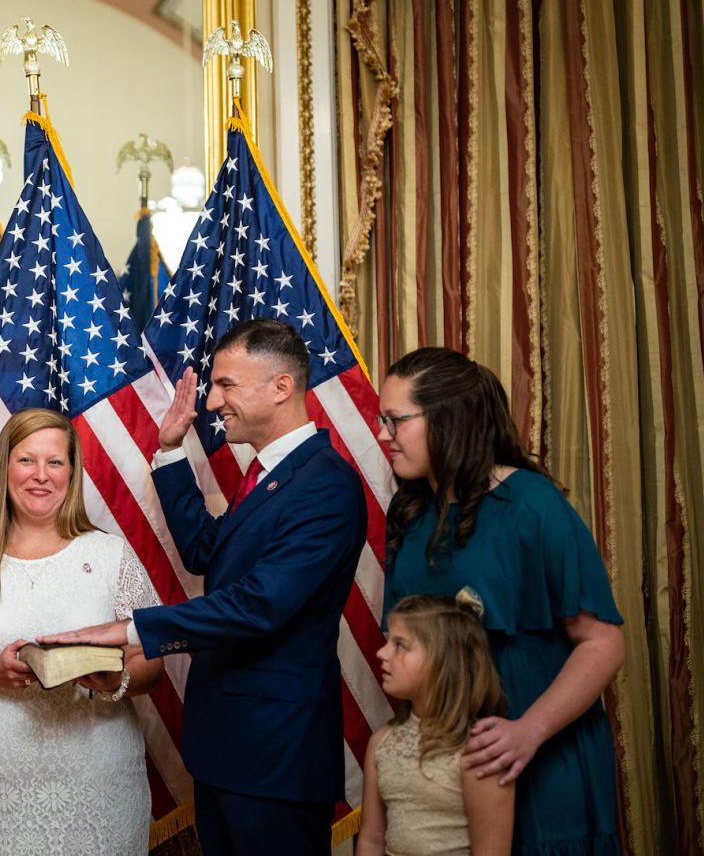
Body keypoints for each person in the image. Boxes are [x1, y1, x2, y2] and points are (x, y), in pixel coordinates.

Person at [45, 318, 367, 856]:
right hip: (229, 749)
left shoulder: (326, 485)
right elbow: (207, 553)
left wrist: (129, 630)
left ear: (281, 387)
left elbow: (258, 606)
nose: (213, 403)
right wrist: (170, 451)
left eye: (226, 386)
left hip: (274, 757)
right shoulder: (270, 474)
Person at [378, 347, 624, 855]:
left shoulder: (532, 504)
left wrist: (527, 732)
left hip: (534, 747)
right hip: (445, 768)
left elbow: (602, 643)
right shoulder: (409, 513)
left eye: (395, 421)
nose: (384, 435)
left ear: (447, 419)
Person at [0, 408, 166, 856]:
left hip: (101, 785)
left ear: (72, 472)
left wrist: (114, 679)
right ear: (3, 469)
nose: (41, 475)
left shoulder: (111, 555)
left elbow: (152, 660)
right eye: (27, 460)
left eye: (55, 462)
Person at [357, 592, 515, 856]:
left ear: (441, 661)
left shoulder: (480, 751)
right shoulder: (382, 742)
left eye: (400, 644)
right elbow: (371, 840)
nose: (382, 653)